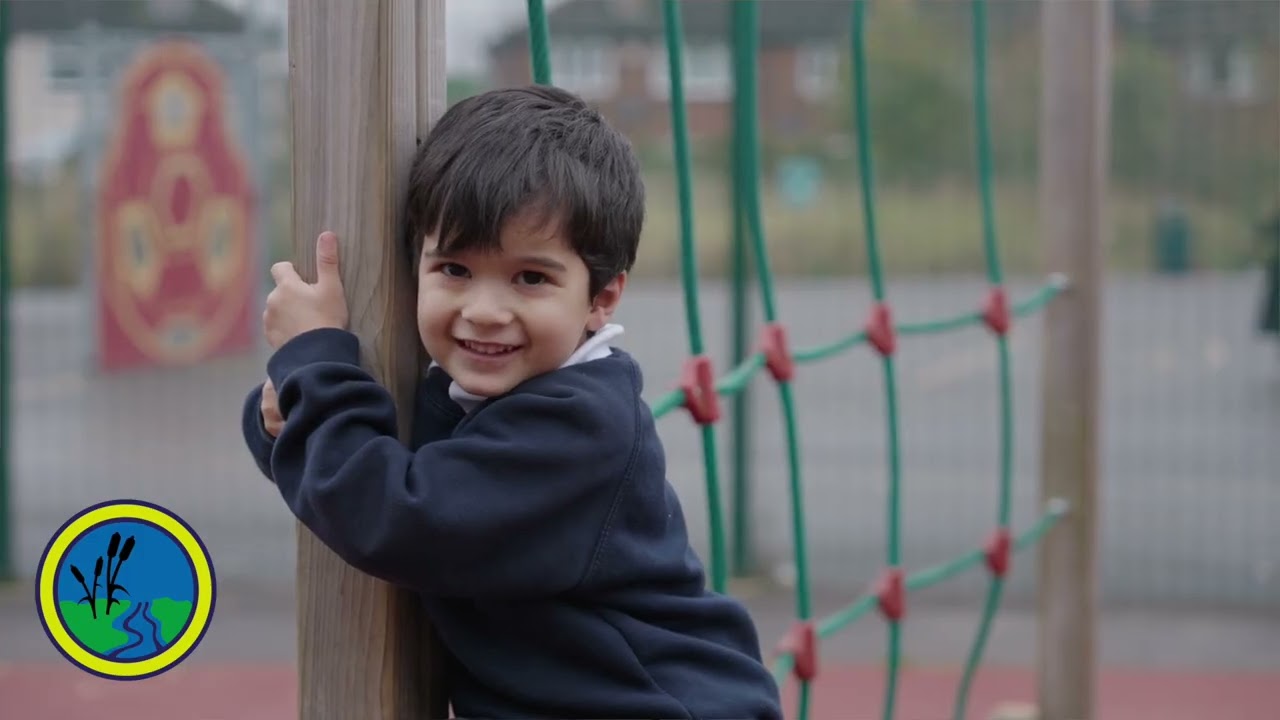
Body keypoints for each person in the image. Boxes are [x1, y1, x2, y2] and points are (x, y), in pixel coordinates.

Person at [240, 85, 783, 719]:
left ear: (602, 299)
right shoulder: (470, 393)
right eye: (454, 270)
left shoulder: (580, 426)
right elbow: (357, 466)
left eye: (531, 278)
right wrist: (284, 415)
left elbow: (395, 517)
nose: (485, 311)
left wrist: (317, 363)